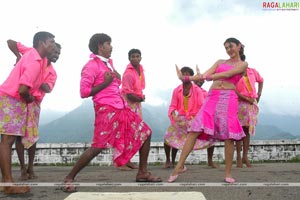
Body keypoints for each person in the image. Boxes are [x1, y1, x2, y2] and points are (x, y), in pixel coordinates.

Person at [62, 33, 161, 193]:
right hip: (106, 109)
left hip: (121, 107)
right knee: (98, 146)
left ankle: (142, 172)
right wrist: (106, 82)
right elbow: (84, 92)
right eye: (109, 43)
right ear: (100, 46)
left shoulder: (108, 64)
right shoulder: (91, 65)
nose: (111, 46)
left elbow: (116, 82)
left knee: (146, 132)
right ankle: (69, 177)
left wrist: (116, 77)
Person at [168, 37, 247, 184]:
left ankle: (228, 173)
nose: (229, 50)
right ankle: (179, 166)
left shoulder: (243, 64)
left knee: (229, 136)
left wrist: (210, 76)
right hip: (212, 97)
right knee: (194, 130)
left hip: (228, 97)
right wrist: (187, 78)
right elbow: (203, 75)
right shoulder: (219, 62)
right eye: (226, 47)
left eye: (231, 46)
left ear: (239, 46)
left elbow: (228, 75)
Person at [0, 31, 56, 194]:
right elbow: (23, 89)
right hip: (13, 98)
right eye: (51, 42)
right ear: (41, 43)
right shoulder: (34, 61)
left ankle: (6, 181)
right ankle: (8, 184)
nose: (53, 45)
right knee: (7, 140)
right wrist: (30, 98)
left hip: (12, 98)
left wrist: (18, 57)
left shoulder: (40, 58)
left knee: (7, 139)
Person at [6, 40, 61, 180]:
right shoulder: (32, 53)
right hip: (21, 98)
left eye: (58, 54)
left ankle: (30, 168)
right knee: (18, 134)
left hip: (34, 101)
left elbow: (48, 88)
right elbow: (10, 42)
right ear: (46, 48)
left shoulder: (52, 72)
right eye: (55, 51)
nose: (56, 55)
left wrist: (36, 76)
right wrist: (18, 56)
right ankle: (23, 168)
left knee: (32, 134)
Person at [163, 66, 215, 169]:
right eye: (183, 73)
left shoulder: (197, 90)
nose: (186, 76)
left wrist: (199, 119)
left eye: (188, 74)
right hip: (181, 118)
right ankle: (169, 160)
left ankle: (209, 160)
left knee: (210, 135)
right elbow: (173, 105)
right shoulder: (176, 90)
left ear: (192, 77)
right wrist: (172, 113)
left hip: (194, 118)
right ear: (180, 76)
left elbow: (201, 105)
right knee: (169, 136)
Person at [119, 48, 145, 171]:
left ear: (141, 58)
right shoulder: (128, 73)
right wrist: (141, 99)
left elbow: (140, 87)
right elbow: (128, 93)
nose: (135, 58)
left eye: (137, 56)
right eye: (133, 56)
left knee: (133, 133)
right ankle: (121, 162)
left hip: (136, 105)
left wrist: (140, 98)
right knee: (125, 132)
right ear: (129, 58)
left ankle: (127, 160)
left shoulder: (140, 71)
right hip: (128, 105)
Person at [235, 67, 264, 168]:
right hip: (239, 103)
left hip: (251, 104)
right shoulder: (234, 72)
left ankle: (245, 157)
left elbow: (261, 80)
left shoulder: (252, 71)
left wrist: (259, 94)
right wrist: (246, 98)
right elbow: (233, 89)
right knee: (239, 131)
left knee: (247, 130)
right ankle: (238, 157)